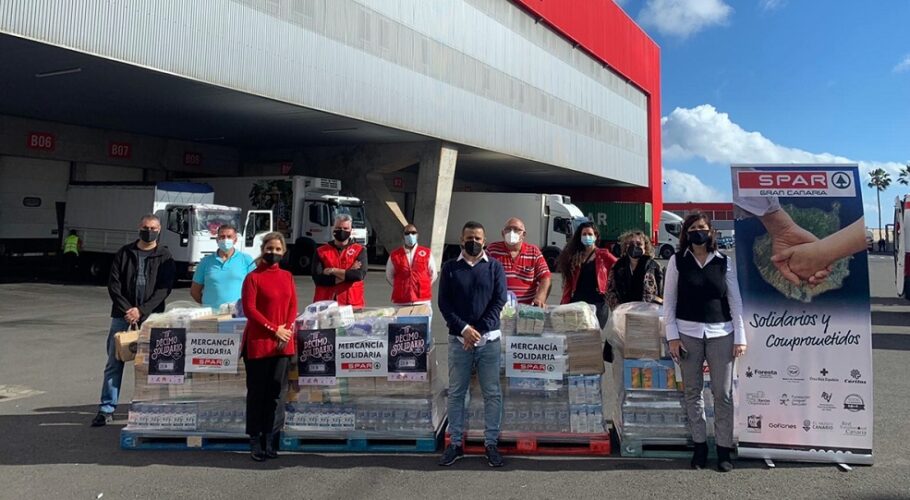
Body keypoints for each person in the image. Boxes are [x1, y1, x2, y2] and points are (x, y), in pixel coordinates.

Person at [663, 213, 746, 472]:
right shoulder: (677, 261)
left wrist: (740, 337)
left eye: (702, 227)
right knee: (692, 391)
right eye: (692, 227)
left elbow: (735, 301)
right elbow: (669, 301)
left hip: (722, 333)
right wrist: (672, 336)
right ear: (686, 233)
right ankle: (699, 447)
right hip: (687, 334)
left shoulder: (724, 262)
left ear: (711, 231)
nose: (698, 231)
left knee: (723, 393)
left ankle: (723, 449)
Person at [91, 214, 175, 426]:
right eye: (146, 227)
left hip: (152, 317)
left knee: (152, 364)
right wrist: (128, 310)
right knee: (114, 361)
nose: (149, 231)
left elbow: (164, 288)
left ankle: (147, 407)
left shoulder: (164, 256)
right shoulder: (125, 252)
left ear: (159, 230)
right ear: (139, 228)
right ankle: (106, 408)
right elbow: (114, 284)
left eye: (153, 228)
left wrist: (142, 310)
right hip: (122, 316)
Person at [437, 221, 507, 468]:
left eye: (478, 238)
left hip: (489, 341)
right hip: (460, 341)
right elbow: (444, 304)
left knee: (492, 393)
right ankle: (455, 444)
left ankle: (491, 444)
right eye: (469, 238)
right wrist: (465, 330)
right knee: (457, 393)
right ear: (461, 239)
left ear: (484, 241)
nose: (473, 242)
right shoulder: (450, 268)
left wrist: (478, 331)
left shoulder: (494, 267)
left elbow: (499, 300)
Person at [241, 232, 297, 461]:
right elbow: (250, 310)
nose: (273, 252)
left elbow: (293, 306)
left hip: (282, 344)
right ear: (263, 250)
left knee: (276, 394)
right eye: (269, 248)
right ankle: (255, 439)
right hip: (259, 343)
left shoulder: (287, 276)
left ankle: (271, 437)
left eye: (277, 249)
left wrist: (287, 330)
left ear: (283, 252)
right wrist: (275, 329)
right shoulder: (253, 278)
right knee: (257, 394)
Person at [557, 222, 618, 329]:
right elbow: (569, 282)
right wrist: (564, 302)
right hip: (578, 302)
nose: (587, 237)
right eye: (584, 234)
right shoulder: (574, 256)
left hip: (598, 303)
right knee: (577, 334)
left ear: (595, 236)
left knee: (595, 334)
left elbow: (619, 267)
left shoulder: (604, 255)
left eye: (590, 234)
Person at [485, 217, 551, 306]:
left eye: (516, 229)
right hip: (498, 308)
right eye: (508, 229)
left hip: (526, 309)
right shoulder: (492, 250)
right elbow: (481, 275)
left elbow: (545, 277)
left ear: (523, 234)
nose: (511, 233)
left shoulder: (534, 252)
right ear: (503, 233)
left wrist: (540, 298)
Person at [190, 224, 255, 311]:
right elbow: (195, 291)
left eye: (229, 237)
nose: (225, 240)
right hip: (211, 315)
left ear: (235, 240)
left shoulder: (246, 260)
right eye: (222, 237)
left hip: (238, 313)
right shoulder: (205, 262)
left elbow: (255, 289)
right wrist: (207, 305)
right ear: (217, 240)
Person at [312, 214, 368, 309]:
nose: (342, 231)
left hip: (352, 305)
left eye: (345, 228)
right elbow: (319, 279)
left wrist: (333, 270)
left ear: (351, 230)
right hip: (325, 305)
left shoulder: (360, 250)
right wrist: (348, 272)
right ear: (333, 229)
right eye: (338, 228)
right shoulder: (321, 251)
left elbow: (358, 275)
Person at [605, 230, 663, 310]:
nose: (635, 246)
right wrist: (619, 307)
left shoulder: (654, 266)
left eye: (639, 244)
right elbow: (610, 291)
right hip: (624, 313)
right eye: (631, 244)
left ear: (645, 247)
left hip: (648, 313)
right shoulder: (618, 266)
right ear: (626, 246)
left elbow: (662, 293)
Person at [385, 223, 438, 306]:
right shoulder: (395, 255)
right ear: (403, 236)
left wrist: (423, 285)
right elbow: (389, 276)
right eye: (407, 233)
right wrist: (401, 286)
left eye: (413, 233)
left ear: (417, 235)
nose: (410, 235)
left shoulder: (426, 253)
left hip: (422, 301)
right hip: (402, 301)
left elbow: (433, 274)